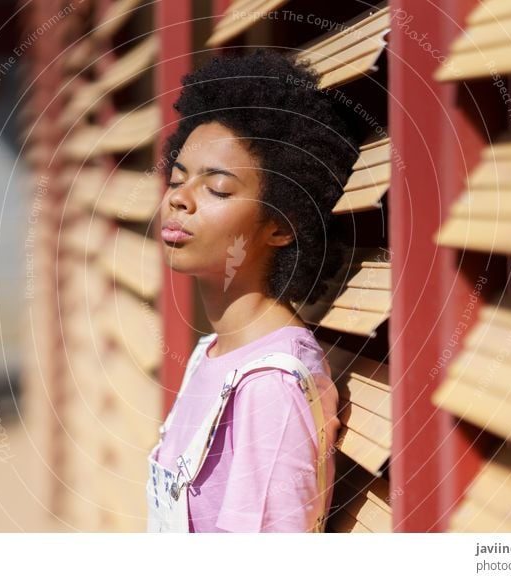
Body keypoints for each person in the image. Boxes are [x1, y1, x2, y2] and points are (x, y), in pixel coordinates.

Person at [146, 48, 366, 533]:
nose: (179, 199)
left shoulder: (270, 386)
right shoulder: (214, 352)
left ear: (281, 225)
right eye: (177, 179)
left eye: (217, 190)